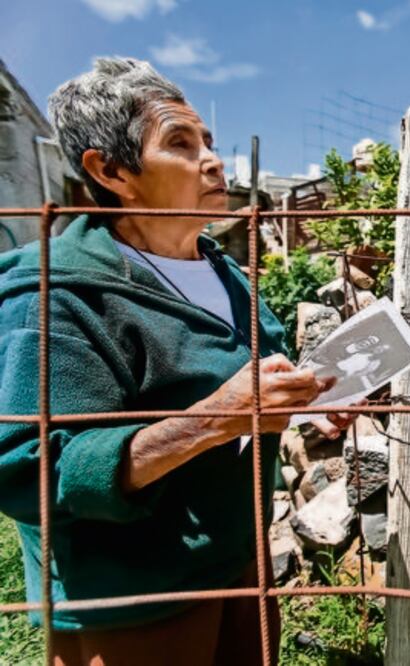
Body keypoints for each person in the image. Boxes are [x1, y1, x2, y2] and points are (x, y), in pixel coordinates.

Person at [0, 57, 356, 665]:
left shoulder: (221, 269)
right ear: (110, 171)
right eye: (180, 144)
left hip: (238, 559)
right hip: (133, 598)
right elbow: (29, 469)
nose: (213, 161)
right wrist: (213, 420)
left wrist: (303, 408)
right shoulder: (56, 294)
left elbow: (244, 379)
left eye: (208, 142)